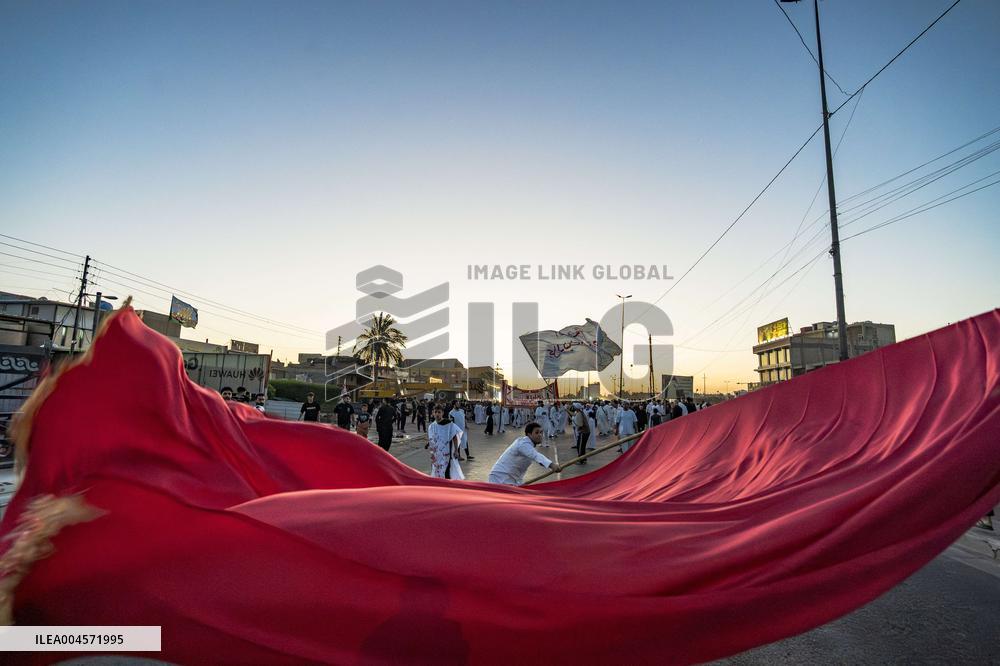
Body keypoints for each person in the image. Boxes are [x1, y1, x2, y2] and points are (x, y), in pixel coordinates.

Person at [488, 422, 562, 486]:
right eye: (537, 432)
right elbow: (535, 455)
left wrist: (520, 483)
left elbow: (538, 461)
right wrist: (552, 465)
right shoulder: (523, 444)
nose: (540, 435)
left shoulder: (529, 445)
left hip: (510, 478)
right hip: (500, 477)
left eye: (541, 432)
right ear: (529, 434)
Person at [426, 405, 463, 478]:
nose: (437, 414)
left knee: (446, 471)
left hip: (446, 453)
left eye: (439, 412)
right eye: (435, 412)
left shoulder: (449, 424)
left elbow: (454, 437)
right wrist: (428, 444)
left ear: (442, 413)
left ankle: (447, 487)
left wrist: (456, 450)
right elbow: (432, 438)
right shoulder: (432, 426)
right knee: (436, 470)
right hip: (436, 454)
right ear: (433, 413)